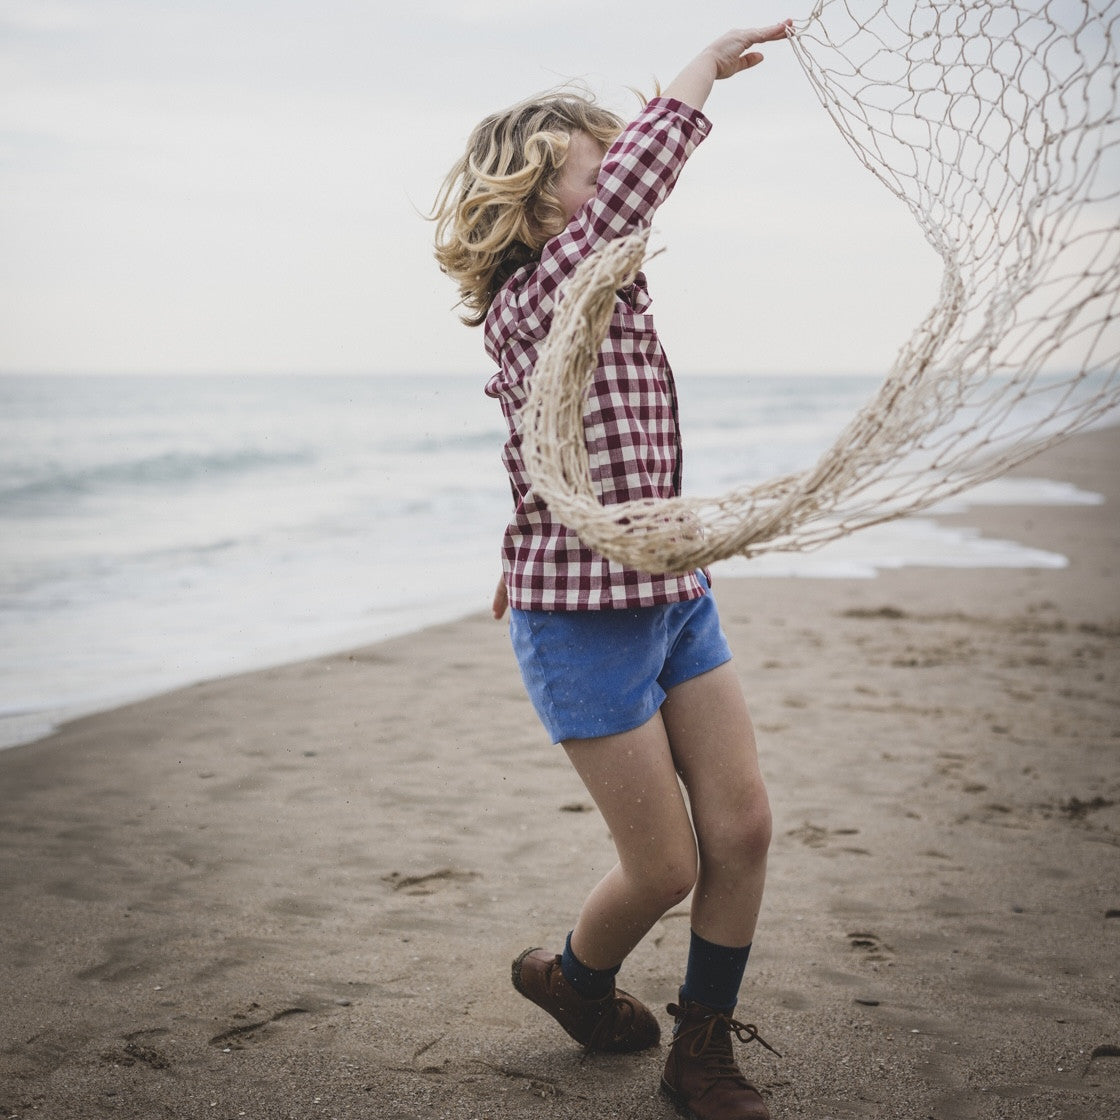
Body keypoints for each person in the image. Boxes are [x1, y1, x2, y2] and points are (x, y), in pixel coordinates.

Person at [432, 22, 792, 1120]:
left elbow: (552, 454)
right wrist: (702, 67)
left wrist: (515, 534)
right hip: (583, 620)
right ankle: (575, 979)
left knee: (742, 830)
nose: (615, 184)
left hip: (672, 592)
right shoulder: (531, 300)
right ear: (542, 209)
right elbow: (641, 178)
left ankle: (701, 1048)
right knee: (667, 866)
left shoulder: (613, 295)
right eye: (594, 170)